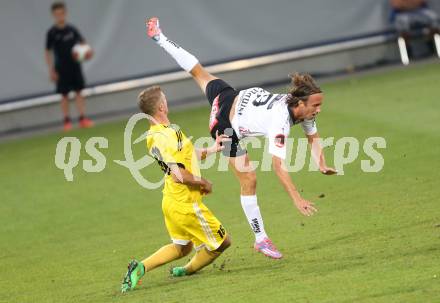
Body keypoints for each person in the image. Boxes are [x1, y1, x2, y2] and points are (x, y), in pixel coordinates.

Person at [145, 17, 337, 259]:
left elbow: (312, 135)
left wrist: (321, 163)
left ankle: (159, 37)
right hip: (224, 125)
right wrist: (297, 198)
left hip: (228, 96)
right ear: (300, 103)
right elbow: (278, 166)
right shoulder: (280, 121)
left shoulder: (304, 110)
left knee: (197, 70)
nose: (318, 109)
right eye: (316, 105)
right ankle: (260, 239)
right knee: (249, 179)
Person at [121, 86, 231, 293]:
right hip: (185, 203)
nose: (167, 102)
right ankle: (188, 270)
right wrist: (202, 182)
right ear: (162, 106)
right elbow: (178, 175)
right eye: (165, 100)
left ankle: (140, 267)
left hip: (171, 200)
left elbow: (186, 155)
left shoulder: (159, 134)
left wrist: (212, 149)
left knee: (182, 247)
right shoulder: (167, 136)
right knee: (223, 242)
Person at [45, 2, 94, 131]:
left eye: (61, 13)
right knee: (64, 94)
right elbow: (47, 51)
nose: (59, 16)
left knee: (79, 92)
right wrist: (51, 70)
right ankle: (67, 121)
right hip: (61, 68)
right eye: (57, 14)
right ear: (53, 15)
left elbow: (83, 44)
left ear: (65, 13)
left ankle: (83, 118)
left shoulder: (72, 30)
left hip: (75, 66)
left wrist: (87, 52)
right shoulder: (52, 33)